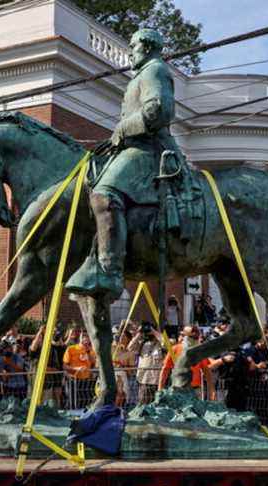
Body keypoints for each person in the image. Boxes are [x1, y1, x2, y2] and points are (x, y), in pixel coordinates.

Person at [65, 28, 181, 301]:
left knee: (104, 193)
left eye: (134, 45)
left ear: (149, 46)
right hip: (134, 146)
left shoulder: (155, 70)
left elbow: (158, 110)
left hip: (150, 149)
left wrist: (122, 129)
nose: (130, 50)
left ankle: (111, 270)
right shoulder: (142, 74)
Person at [158, 325, 214, 401]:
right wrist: (160, 390)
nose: (195, 339)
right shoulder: (175, 349)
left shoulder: (200, 351)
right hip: (178, 390)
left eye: (196, 337)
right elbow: (165, 370)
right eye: (192, 337)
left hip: (195, 391)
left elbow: (207, 373)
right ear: (185, 337)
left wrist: (212, 394)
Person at [128, 322, 166, 404]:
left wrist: (153, 331)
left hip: (156, 381)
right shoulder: (142, 344)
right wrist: (139, 333)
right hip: (143, 380)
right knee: (143, 405)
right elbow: (130, 347)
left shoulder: (160, 344)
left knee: (156, 405)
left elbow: (165, 343)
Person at [29, 325, 65, 406]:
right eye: (40, 338)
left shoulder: (50, 347)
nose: (41, 339)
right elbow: (33, 347)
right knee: (36, 403)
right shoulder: (35, 350)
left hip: (48, 383)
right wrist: (40, 332)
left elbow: (60, 344)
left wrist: (55, 333)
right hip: (36, 382)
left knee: (47, 403)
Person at [63, 332, 97, 410]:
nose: (85, 341)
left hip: (86, 380)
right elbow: (64, 366)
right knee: (72, 401)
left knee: (86, 401)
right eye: (83, 337)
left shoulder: (91, 351)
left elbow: (93, 363)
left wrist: (88, 351)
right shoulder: (71, 349)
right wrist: (76, 369)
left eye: (87, 340)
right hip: (73, 380)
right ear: (80, 339)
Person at [112, 327, 137, 407]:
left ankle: (117, 410)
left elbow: (131, 372)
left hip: (123, 378)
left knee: (121, 394)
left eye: (123, 337)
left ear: (128, 339)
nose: (120, 338)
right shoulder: (113, 348)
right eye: (120, 336)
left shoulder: (130, 353)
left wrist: (123, 366)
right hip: (111, 377)